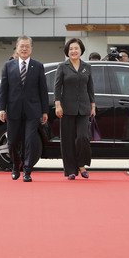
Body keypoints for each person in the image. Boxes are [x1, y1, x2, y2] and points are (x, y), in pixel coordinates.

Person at [0, 36, 48, 182]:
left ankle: (27, 170)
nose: (24, 49)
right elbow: (3, 90)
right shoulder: (8, 66)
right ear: (17, 48)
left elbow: (43, 90)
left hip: (33, 110)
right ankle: (15, 166)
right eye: (21, 46)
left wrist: (44, 110)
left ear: (31, 48)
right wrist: (2, 109)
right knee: (12, 141)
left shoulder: (38, 66)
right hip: (13, 110)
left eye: (27, 46)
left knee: (30, 141)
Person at [54, 38, 95, 180]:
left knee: (83, 137)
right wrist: (58, 105)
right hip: (67, 108)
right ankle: (71, 170)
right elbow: (57, 87)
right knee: (67, 140)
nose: (73, 51)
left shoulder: (87, 67)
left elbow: (90, 87)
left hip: (83, 108)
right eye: (71, 49)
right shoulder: (62, 66)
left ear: (81, 50)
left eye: (76, 48)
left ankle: (81, 164)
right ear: (67, 51)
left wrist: (93, 105)